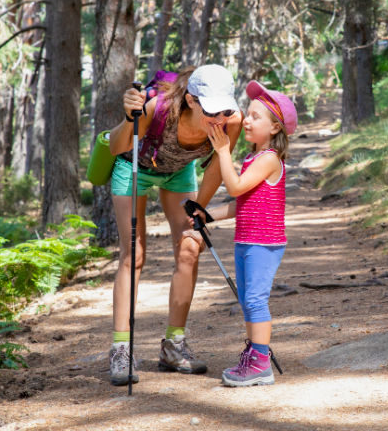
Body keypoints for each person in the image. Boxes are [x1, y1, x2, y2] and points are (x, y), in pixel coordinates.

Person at [107, 64, 242, 386]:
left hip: (178, 172)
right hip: (134, 167)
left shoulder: (230, 120)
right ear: (192, 100)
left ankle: (173, 345)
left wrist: (199, 210)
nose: (219, 118)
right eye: (212, 110)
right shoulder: (158, 108)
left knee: (190, 247)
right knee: (133, 255)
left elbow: (213, 169)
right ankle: (121, 349)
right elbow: (116, 148)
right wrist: (130, 117)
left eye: (224, 109)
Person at [199, 80, 298, 387]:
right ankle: (255, 353)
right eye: (248, 114)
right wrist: (206, 215)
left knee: (255, 300)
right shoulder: (253, 159)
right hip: (247, 240)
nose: (247, 121)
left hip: (263, 243)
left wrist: (223, 150)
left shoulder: (269, 159)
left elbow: (234, 186)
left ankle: (260, 363)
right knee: (247, 299)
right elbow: (240, 202)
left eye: (256, 117)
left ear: (274, 128)